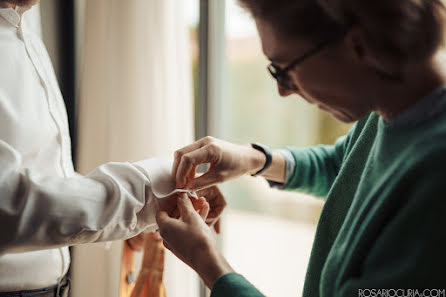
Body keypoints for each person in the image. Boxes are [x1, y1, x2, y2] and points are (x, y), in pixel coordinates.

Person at [156, 0, 446, 296]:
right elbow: (344, 169)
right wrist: (254, 159)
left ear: (357, 46)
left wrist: (211, 266)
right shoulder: (390, 106)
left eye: (285, 69)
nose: (283, 90)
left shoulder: (436, 182)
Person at [0, 0, 225, 296]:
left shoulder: (22, 28)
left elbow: (43, 178)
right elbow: (8, 206)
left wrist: (132, 220)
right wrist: (152, 193)